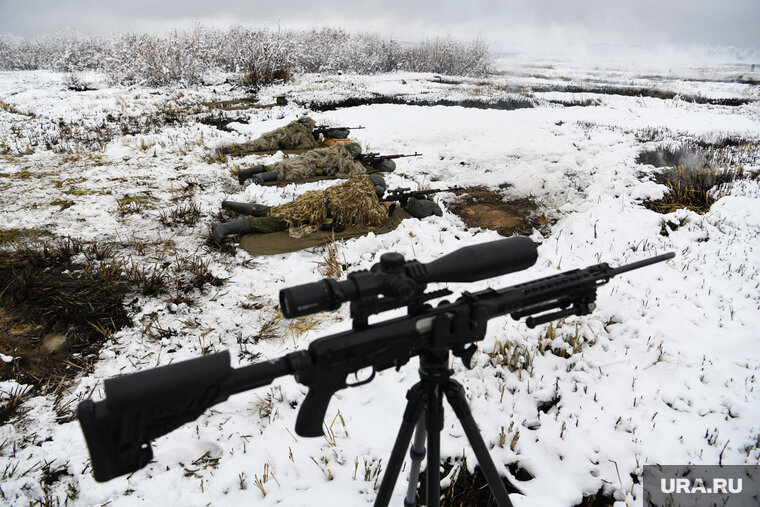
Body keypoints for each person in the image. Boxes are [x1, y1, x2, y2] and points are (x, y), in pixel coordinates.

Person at [211, 175, 442, 242]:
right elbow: (376, 219)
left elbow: (359, 200)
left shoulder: (358, 182)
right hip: (316, 212)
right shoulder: (367, 200)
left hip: (312, 198)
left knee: (275, 209)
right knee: (276, 221)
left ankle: (230, 204)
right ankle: (223, 228)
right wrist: (388, 207)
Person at [235, 142, 395, 185]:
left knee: (279, 165)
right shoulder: (344, 158)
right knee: (290, 171)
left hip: (307, 157)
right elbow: (353, 172)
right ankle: (259, 178)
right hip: (312, 166)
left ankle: (246, 173)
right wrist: (360, 164)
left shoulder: (335, 149)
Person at [216, 116, 318, 157]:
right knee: (249, 147)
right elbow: (306, 147)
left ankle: (225, 149)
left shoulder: (293, 126)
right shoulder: (302, 133)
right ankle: (226, 150)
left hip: (270, 136)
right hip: (272, 142)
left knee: (249, 145)